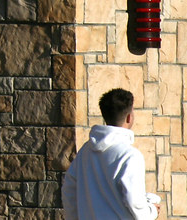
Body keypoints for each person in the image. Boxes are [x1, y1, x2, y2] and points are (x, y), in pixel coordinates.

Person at [63, 88, 161, 219]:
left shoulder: (85, 151)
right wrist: (151, 210)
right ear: (129, 117)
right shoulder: (130, 156)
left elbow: (69, 190)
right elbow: (135, 203)